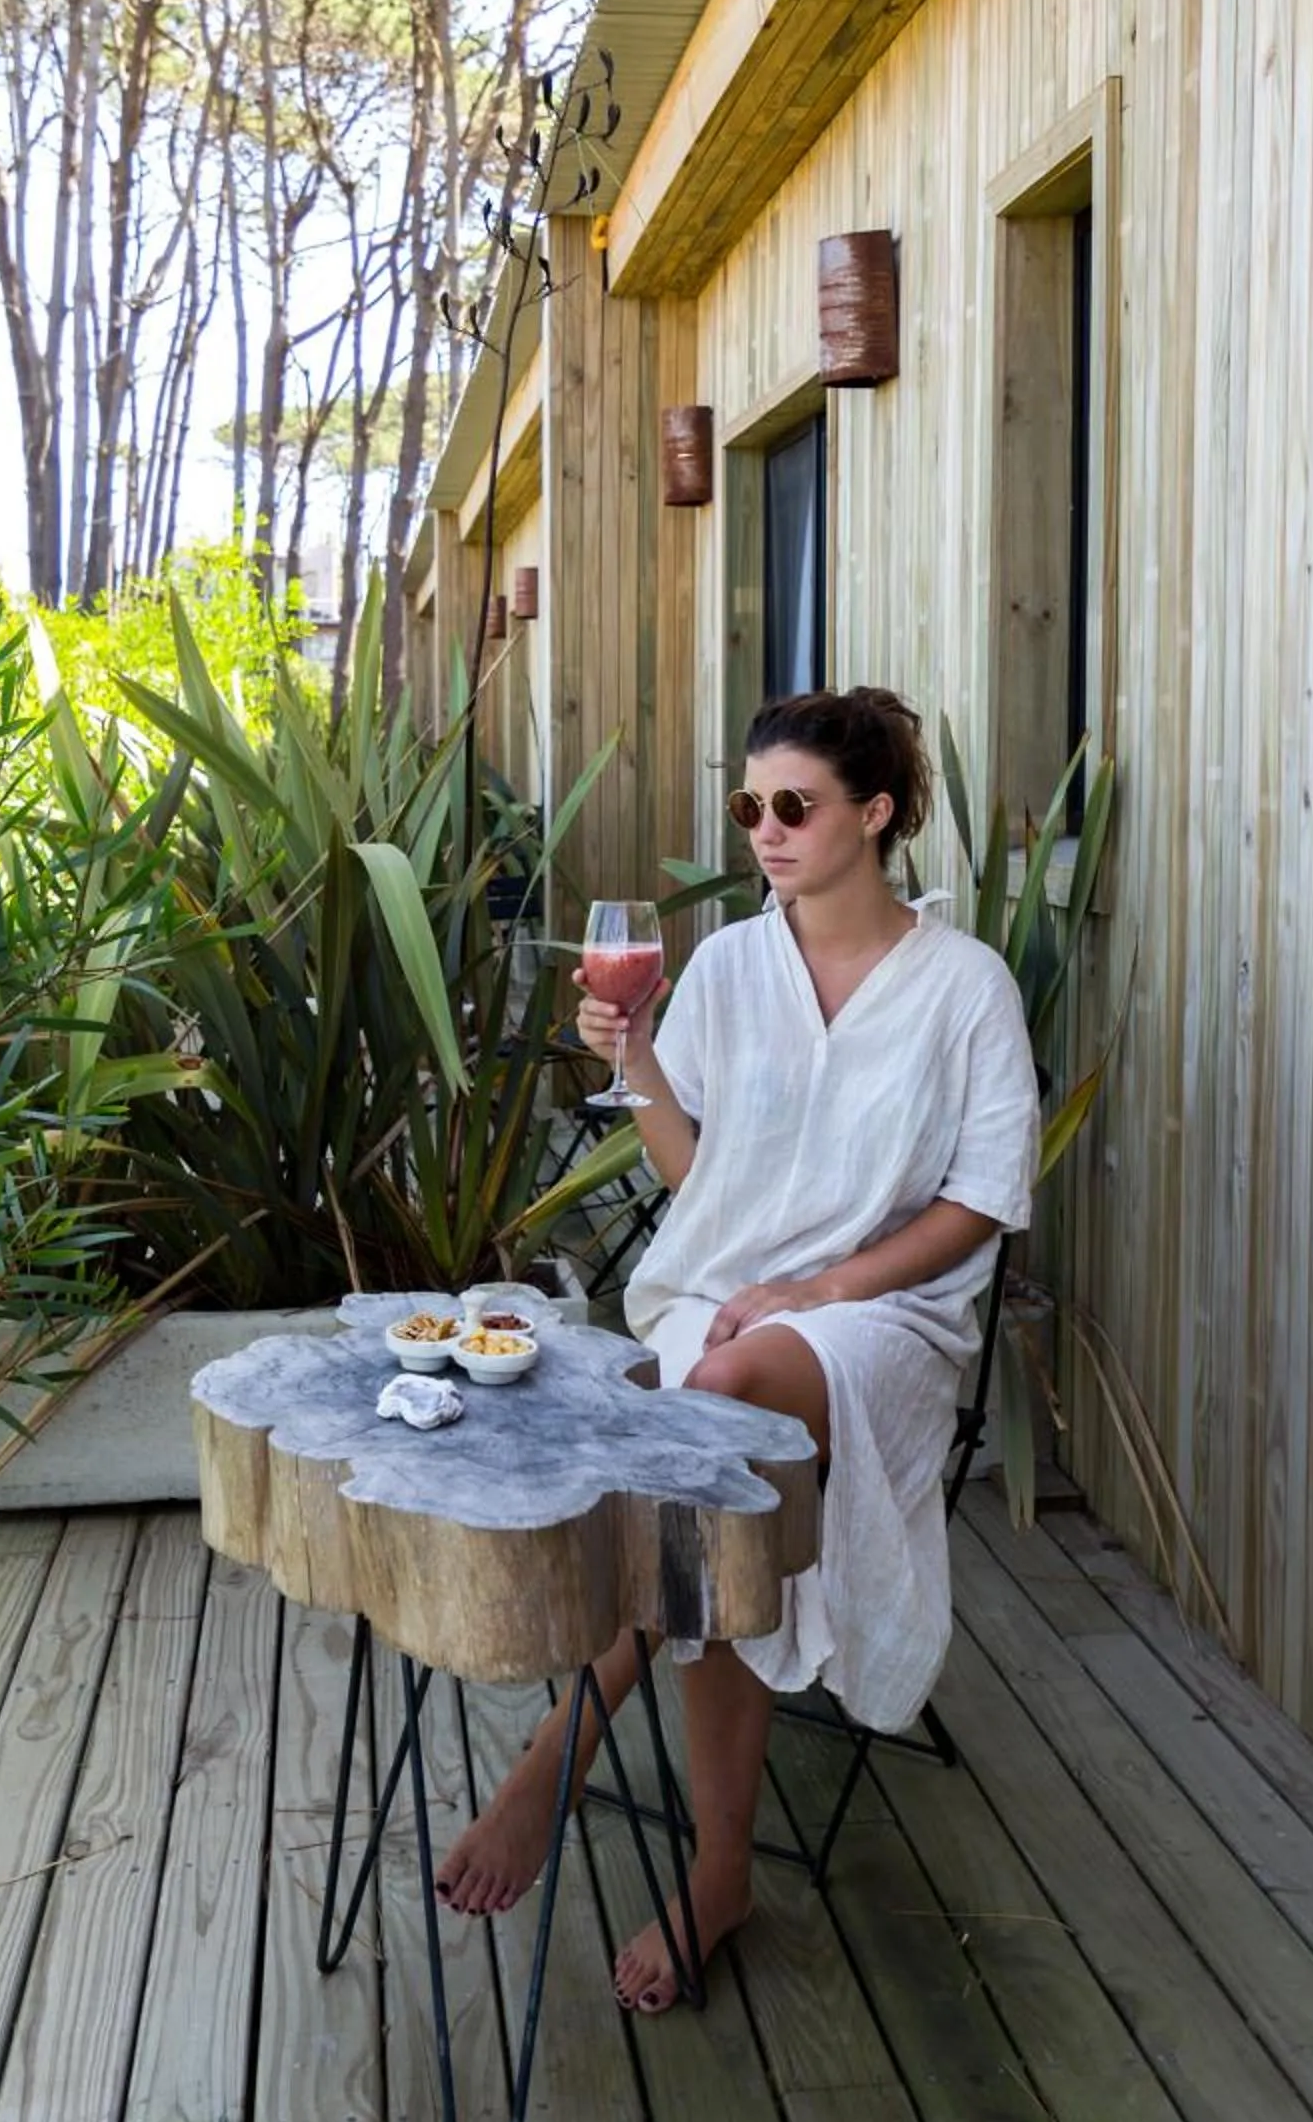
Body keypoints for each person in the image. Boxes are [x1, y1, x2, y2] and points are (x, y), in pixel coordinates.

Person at [437, 685, 1039, 2012]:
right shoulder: (726, 967)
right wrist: (638, 1052)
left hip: (883, 1318)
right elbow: (694, 1178)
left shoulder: (964, 988)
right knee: (713, 1472)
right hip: (715, 1293)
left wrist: (819, 1287)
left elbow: (983, 1201)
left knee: (713, 1408)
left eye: (794, 806)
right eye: (748, 805)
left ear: (875, 815)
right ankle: (718, 1874)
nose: (764, 830)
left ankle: (557, 1760)